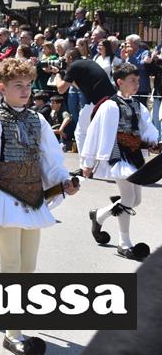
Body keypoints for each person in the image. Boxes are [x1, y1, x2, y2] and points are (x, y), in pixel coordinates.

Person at [0, 58, 79, 355]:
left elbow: (51, 158)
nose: (25, 90)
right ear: (2, 88)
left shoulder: (37, 120)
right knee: (12, 266)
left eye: (28, 84)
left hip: (32, 198)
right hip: (4, 198)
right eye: (18, 85)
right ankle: (13, 333)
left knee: (28, 267)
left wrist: (64, 180)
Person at [81, 63, 158, 261]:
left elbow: (146, 128)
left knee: (135, 200)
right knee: (128, 199)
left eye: (138, 80)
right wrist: (88, 161)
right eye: (132, 80)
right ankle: (124, 243)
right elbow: (95, 132)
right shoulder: (109, 105)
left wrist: (153, 141)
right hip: (118, 156)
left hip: (134, 155)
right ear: (120, 82)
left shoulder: (138, 105)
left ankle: (99, 215)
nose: (136, 84)